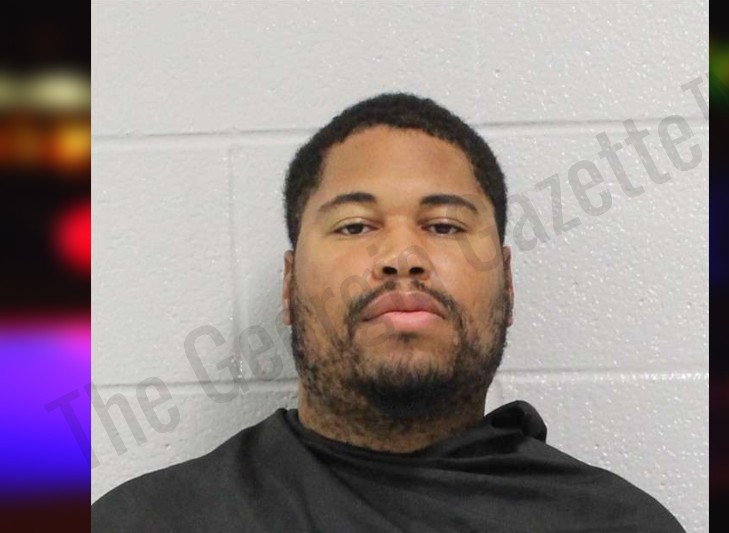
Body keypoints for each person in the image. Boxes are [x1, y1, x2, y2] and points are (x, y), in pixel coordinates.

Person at [92, 93, 686, 532]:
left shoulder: (621, 524)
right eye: (355, 226)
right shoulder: (148, 522)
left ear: (507, 282)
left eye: (444, 226)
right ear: (289, 285)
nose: (403, 257)